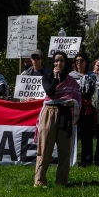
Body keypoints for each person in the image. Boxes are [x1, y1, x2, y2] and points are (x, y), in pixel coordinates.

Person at [35, 52, 81, 187]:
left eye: (61, 61)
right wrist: (55, 78)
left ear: (65, 63)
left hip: (65, 114)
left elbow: (76, 97)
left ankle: (61, 182)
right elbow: (49, 92)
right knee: (44, 149)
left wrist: (71, 103)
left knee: (64, 150)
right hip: (49, 114)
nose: (58, 63)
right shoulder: (46, 77)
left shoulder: (71, 80)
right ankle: (39, 181)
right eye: (56, 61)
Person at [73, 52, 96, 167]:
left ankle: (87, 159)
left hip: (86, 109)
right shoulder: (71, 76)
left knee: (86, 135)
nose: (79, 63)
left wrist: (77, 94)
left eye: (81, 60)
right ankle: (73, 158)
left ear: (86, 62)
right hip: (74, 109)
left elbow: (90, 92)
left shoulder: (91, 76)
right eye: (77, 60)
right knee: (74, 135)